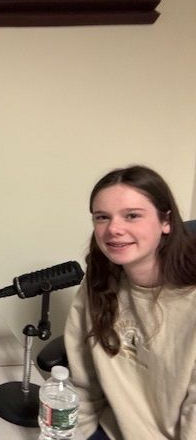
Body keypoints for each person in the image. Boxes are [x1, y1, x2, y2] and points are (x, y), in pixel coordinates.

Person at [65, 165, 196, 440]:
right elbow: (83, 381)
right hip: (107, 430)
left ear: (166, 221)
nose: (113, 229)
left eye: (132, 216)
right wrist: (81, 434)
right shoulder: (100, 279)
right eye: (102, 217)